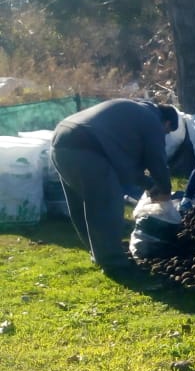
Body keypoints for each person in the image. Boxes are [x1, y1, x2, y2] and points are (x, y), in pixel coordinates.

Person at [51, 99, 180, 272]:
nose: (163, 136)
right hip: (87, 149)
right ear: (167, 123)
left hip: (61, 142)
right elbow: (156, 158)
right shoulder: (151, 120)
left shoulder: (131, 111)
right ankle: (113, 262)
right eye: (166, 132)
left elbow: (122, 163)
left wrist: (149, 184)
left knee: (81, 204)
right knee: (107, 204)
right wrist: (165, 189)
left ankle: (98, 252)